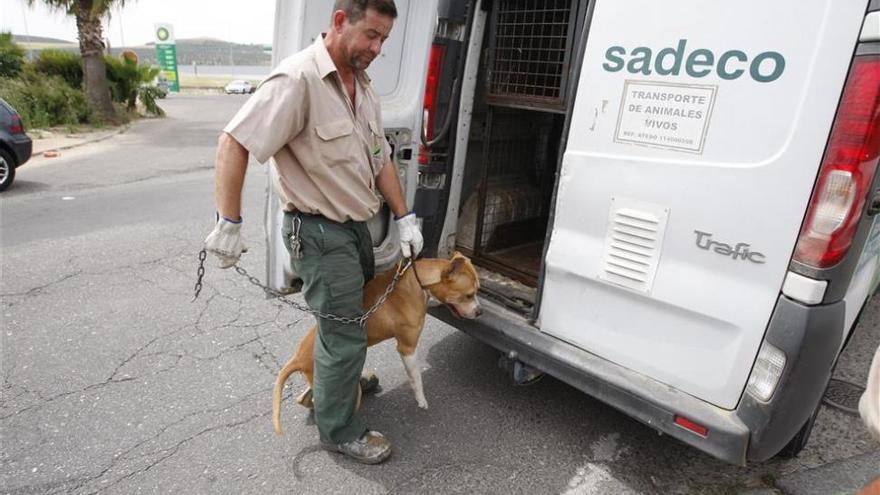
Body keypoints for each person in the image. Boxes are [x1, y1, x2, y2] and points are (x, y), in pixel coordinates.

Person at [204, 0, 421, 465]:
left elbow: (381, 159)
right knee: (344, 333)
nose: (377, 48)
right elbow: (235, 141)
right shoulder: (298, 79)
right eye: (371, 35)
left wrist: (404, 217)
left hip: (357, 231)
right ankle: (339, 427)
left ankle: (337, 383)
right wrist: (229, 222)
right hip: (320, 234)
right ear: (340, 21)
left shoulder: (362, 86)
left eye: (384, 39)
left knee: (346, 320)